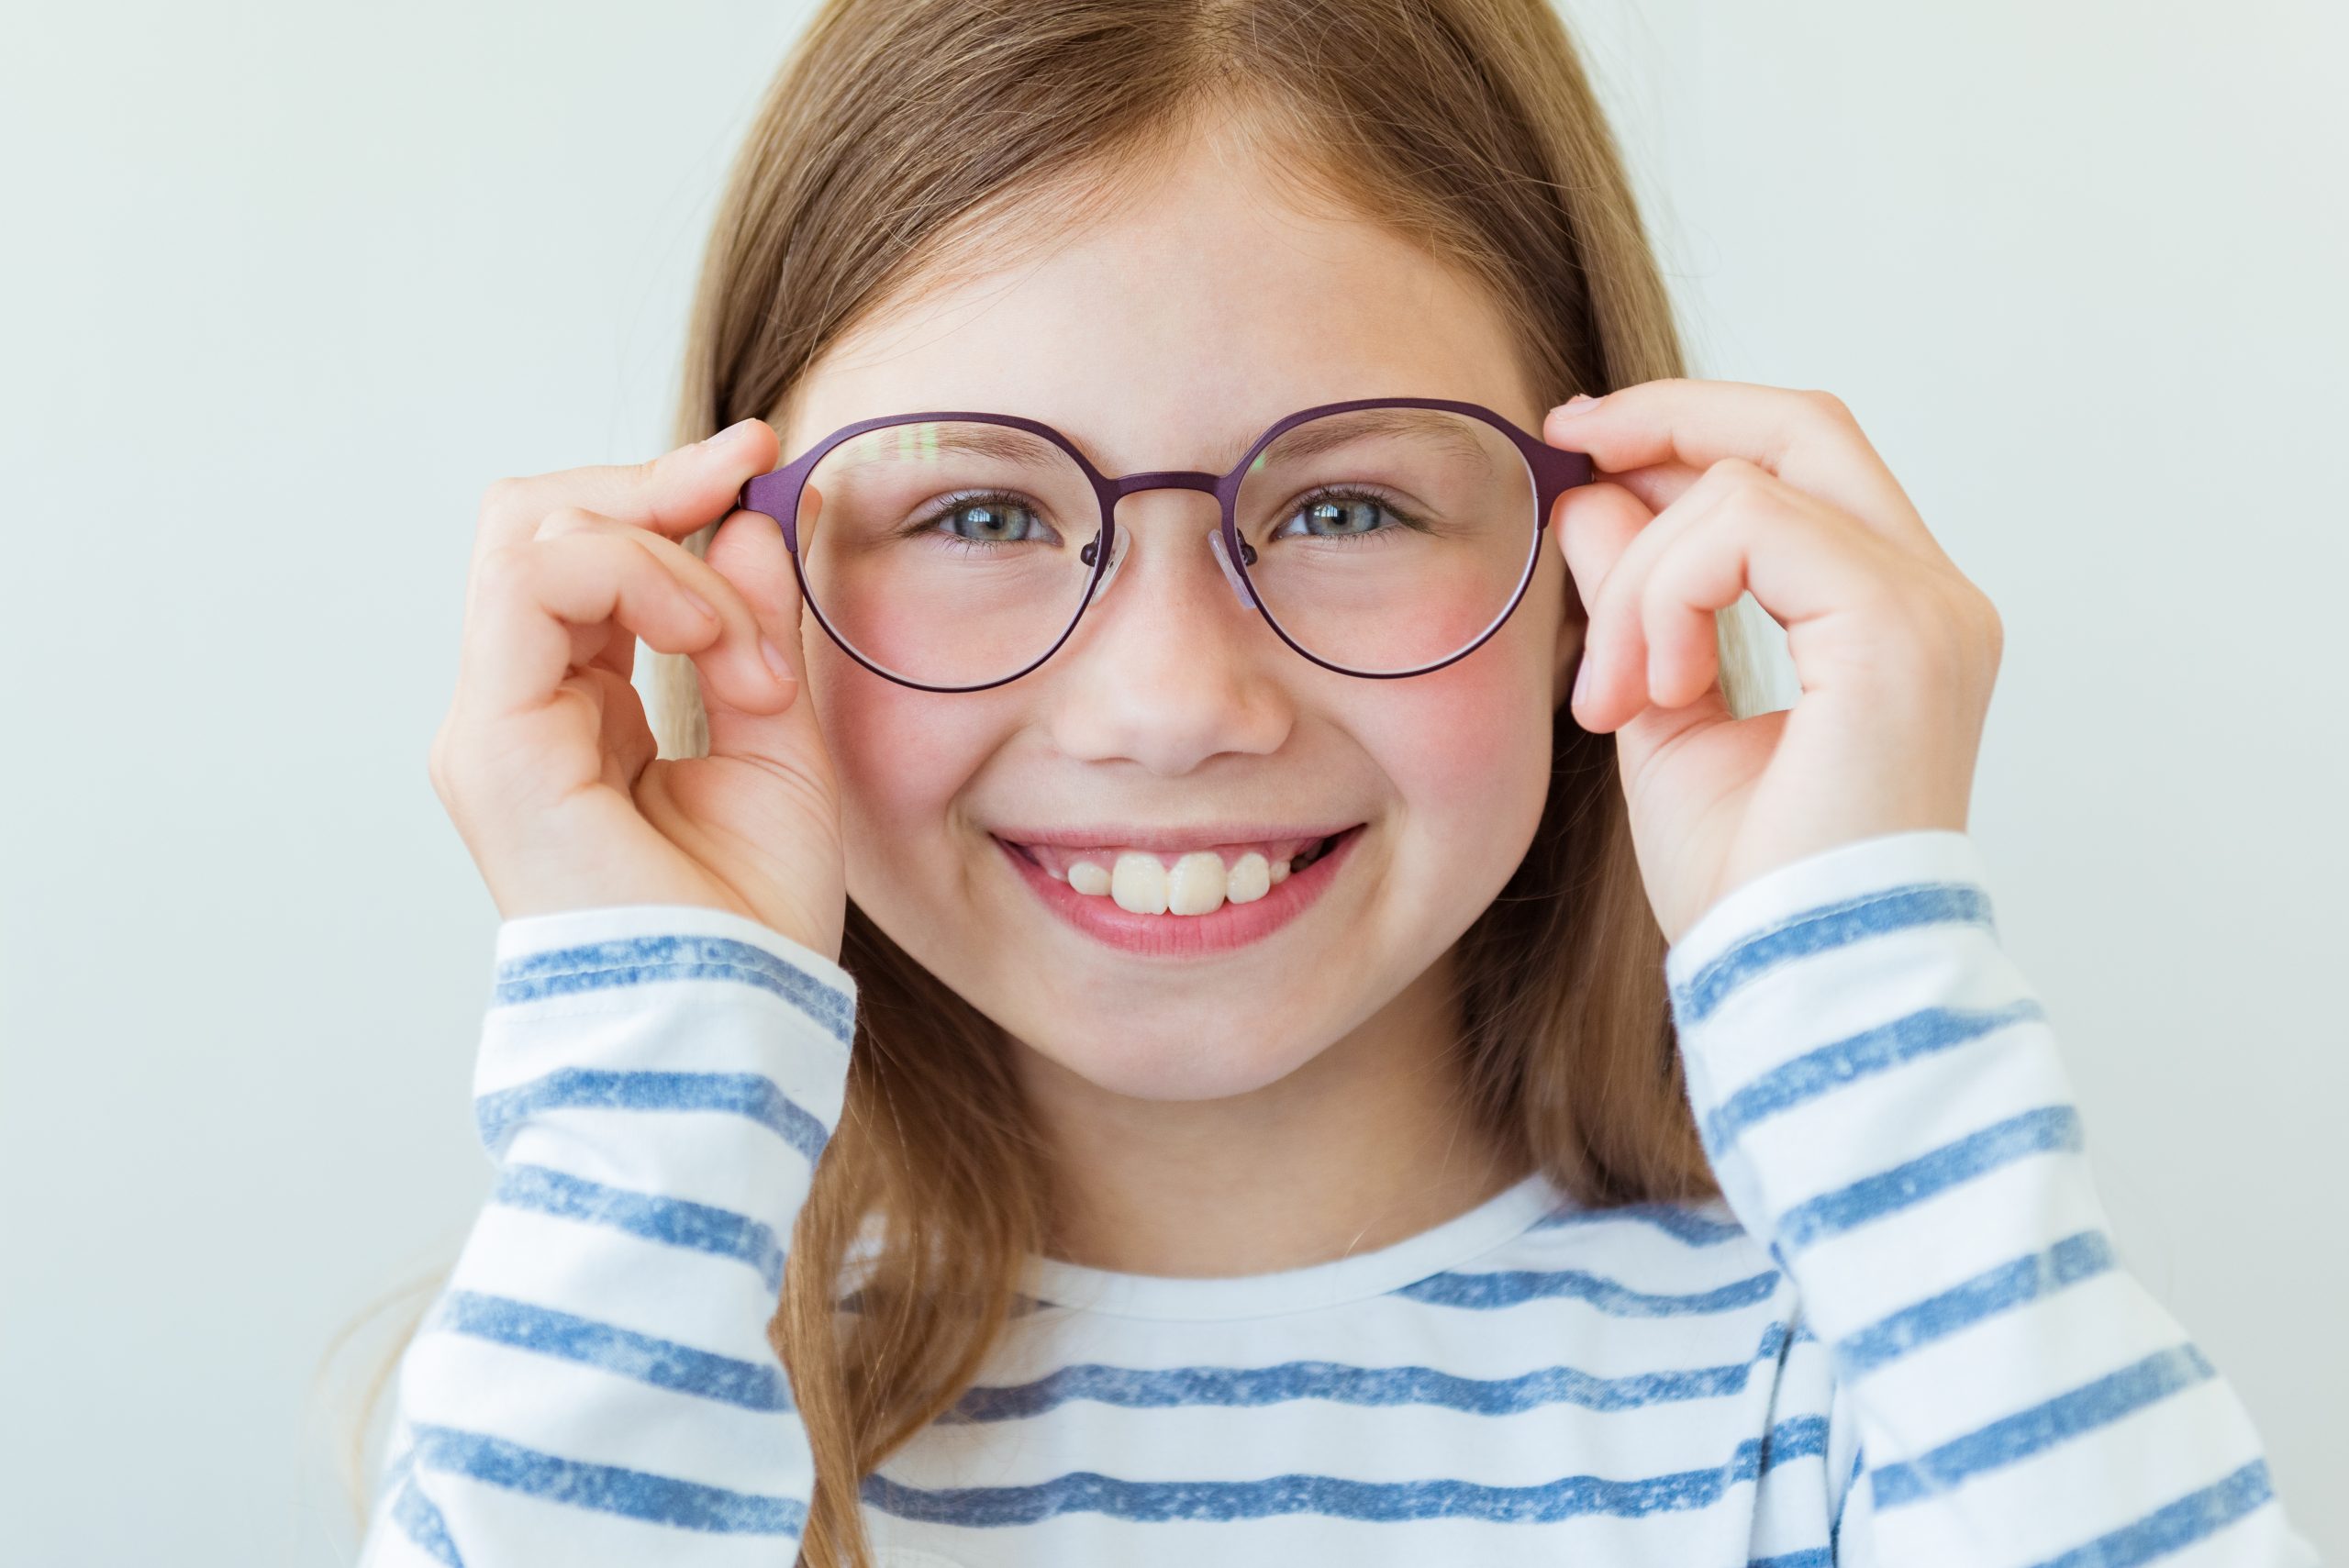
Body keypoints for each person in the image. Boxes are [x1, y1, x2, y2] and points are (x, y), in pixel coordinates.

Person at [355, 2, 2321, 1564]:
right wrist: (660, 1082)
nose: (1167, 700)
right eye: (973, 508)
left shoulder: (1869, 1388)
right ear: (729, 578)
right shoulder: (622, 1385)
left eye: (1348, 502)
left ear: (1602, 557)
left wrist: (1853, 953)